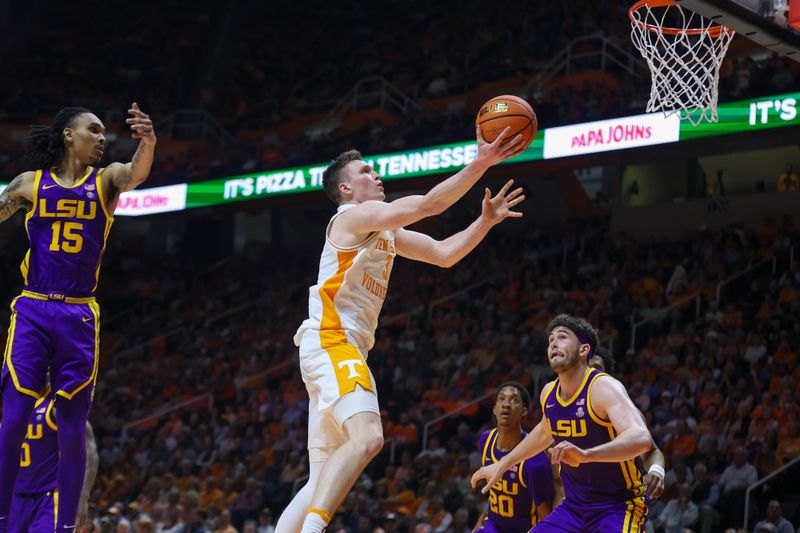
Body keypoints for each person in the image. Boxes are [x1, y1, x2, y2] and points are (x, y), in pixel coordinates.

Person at [277, 126, 528, 533]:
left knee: (320, 480)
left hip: (335, 348)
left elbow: (444, 254)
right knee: (370, 437)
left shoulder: (386, 233)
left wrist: (484, 222)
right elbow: (430, 204)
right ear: (345, 188)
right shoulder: (351, 218)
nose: (376, 176)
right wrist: (482, 162)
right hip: (332, 341)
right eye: (365, 172)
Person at [0, 103, 156, 532]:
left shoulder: (104, 181)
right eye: (94, 130)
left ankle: (66, 525)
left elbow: (135, 174)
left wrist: (149, 141)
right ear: (69, 135)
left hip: (78, 312)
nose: (103, 137)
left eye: (105, 131)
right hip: (32, 305)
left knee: (71, 425)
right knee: (14, 417)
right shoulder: (29, 185)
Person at [472, 314, 653, 533]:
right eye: (550, 340)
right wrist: (502, 465)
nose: (554, 343)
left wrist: (586, 455)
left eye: (562, 337)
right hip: (574, 508)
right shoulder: (549, 392)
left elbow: (641, 439)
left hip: (618, 505)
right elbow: (544, 432)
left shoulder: (602, 387)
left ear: (584, 350)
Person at [10, 383, 99, 533]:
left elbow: (90, 452)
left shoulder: (58, 404)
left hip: (50, 498)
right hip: (15, 498)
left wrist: (83, 497)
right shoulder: (16, 407)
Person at [473, 382, 554, 533]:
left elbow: (546, 517)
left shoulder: (534, 460)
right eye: (501, 399)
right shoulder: (486, 440)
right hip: (492, 526)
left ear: (524, 412)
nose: (506, 405)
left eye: (514, 400)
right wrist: (479, 524)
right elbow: (494, 495)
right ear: (494, 409)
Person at [589, 347, 666, 500]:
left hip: (619, 503)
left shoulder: (626, 413)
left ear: (608, 377)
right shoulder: (564, 411)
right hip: (579, 505)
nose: (590, 375)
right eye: (586, 369)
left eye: (596, 369)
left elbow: (651, 452)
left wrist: (656, 471)